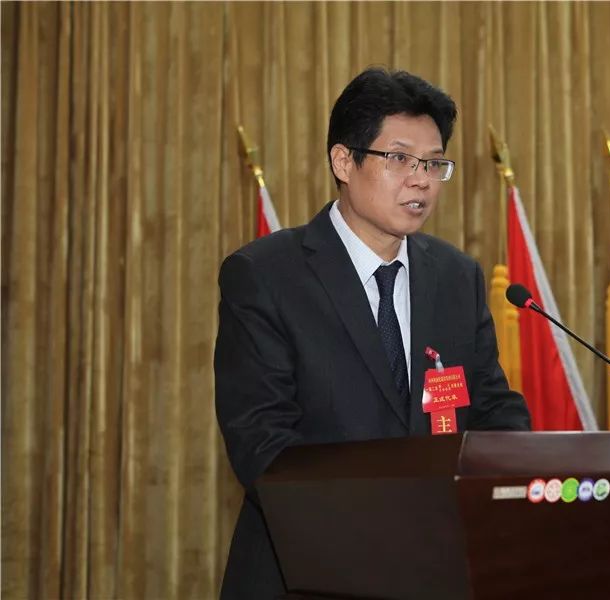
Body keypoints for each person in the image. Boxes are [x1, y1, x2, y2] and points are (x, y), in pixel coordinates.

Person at [214, 67, 531, 599]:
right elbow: (263, 445)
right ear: (344, 161)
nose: (421, 180)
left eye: (433, 163)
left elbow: (491, 409)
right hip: (307, 575)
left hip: (438, 572)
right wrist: (390, 531)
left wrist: (521, 482)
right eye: (400, 159)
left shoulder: (456, 277)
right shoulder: (266, 276)